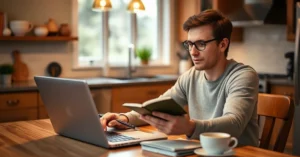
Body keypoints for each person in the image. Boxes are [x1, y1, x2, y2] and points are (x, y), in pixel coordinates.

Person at [101, 9, 259, 146]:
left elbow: (234, 124)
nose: (193, 52)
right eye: (189, 44)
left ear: (222, 44)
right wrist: (123, 119)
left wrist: (190, 127)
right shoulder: (191, 76)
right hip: (201, 154)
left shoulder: (243, 75)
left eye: (201, 44)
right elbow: (153, 109)